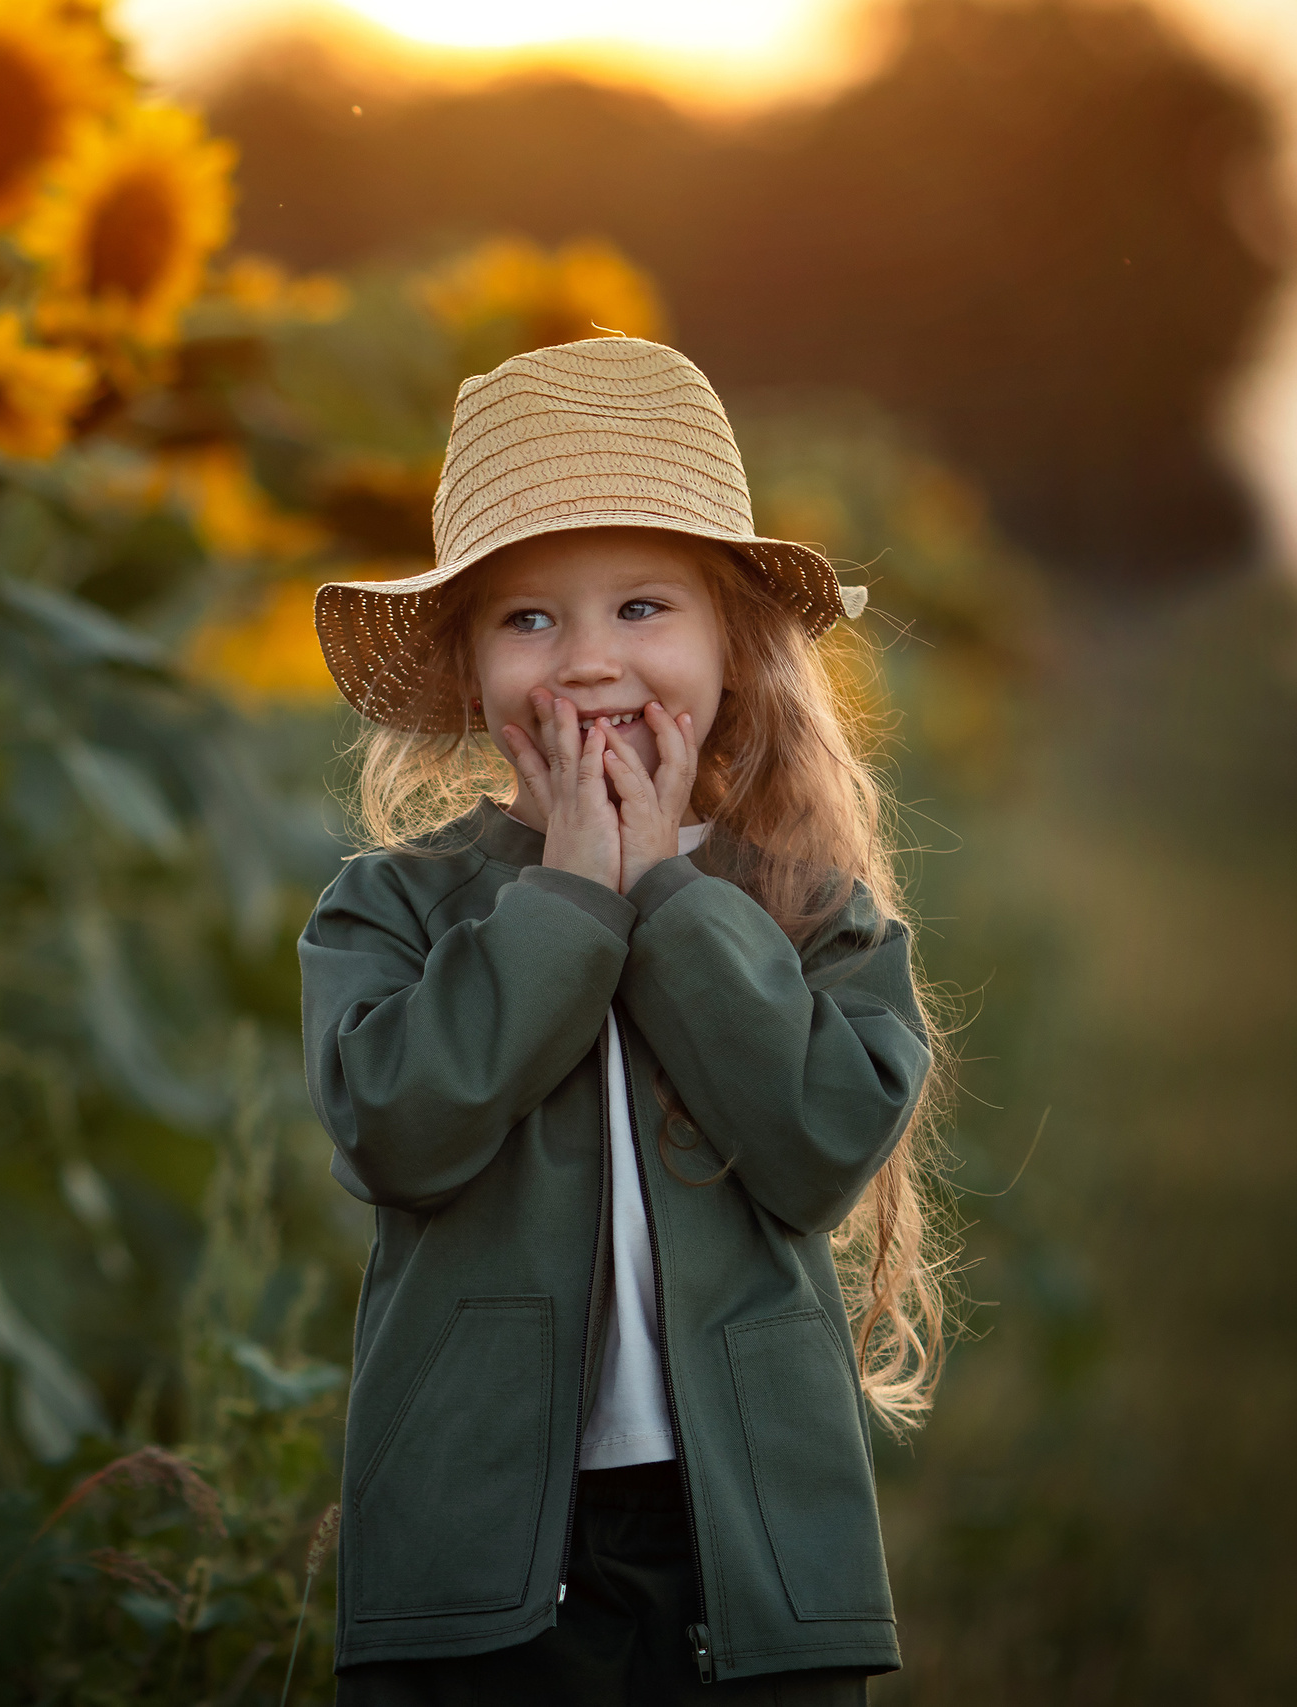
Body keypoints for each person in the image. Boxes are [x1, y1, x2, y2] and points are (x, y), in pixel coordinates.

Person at [299, 336, 948, 1704]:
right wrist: (565, 901)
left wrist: (664, 889)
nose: (589, 663)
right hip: (477, 1559)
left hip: (748, 1551)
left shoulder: (808, 909)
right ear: (471, 664)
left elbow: (820, 1145)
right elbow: (400, 1132)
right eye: (529, 620)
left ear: (732, 643)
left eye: (643, 607)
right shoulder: (390, 911)